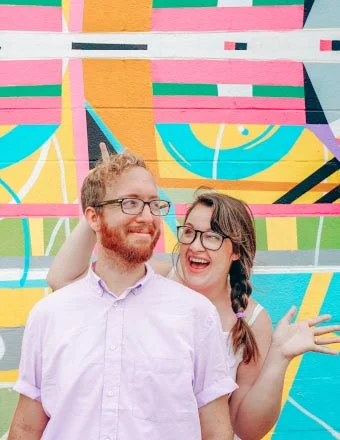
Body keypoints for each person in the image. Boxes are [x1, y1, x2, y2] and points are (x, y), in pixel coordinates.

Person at [46, 149, 340, 440]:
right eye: (188, 232)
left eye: (212, 237)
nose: (195, 246)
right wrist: (105, 203)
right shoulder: (156, 280)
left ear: (235, 250)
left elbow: (248, 428)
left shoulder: (250, 319)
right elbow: (61, 279)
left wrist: (279, 358)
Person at [9, 151, 238, 440]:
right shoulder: (49, 315)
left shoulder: (195, 313)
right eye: (130, 203)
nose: (146, 216)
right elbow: (26, 428)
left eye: (154, 204)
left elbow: (216, 430)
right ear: (93, 217)